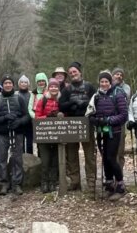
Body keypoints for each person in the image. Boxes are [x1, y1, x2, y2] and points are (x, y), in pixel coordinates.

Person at [0, 75, 30, 195]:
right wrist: (4, 118)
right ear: (3, 85)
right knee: (2, 158)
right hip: (2, 133)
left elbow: (26, 116)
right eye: (5, 83)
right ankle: (3, 183)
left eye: (10, 83)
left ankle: (17, 183)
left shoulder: (19, 98)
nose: (8, 85)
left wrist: (19, 122)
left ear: (13, 85)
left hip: (17, 133)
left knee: (17, 158)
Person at [58, 61, 97, 192]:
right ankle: (75, 181)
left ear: (80, 72)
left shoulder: (90, 86)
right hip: (71, 124)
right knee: (71, 155)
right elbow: (61, 105)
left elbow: (96, 102)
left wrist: (83, 104)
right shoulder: (66, 89)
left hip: (87, 123)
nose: (73, 74)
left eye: (74, 71)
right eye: (70, 73)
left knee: (90, 154)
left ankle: (91, 181)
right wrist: (72, 103)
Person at [90, 72, 128, 200]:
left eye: (106, 81)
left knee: (111, 158)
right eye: (102, 82)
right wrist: (94, 119)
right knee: (105, 158)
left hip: (114, 131)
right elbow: (92, 112)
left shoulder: (118, 93)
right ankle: (109, 185)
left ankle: (121, 186)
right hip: (102, 131)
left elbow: (124, 115)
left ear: (110, 82)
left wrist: (108, 120)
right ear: (99, 82)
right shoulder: (97, 95)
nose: (104, 84)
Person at [34, 78, 62, 193]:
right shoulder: (42, 100)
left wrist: (60, 116)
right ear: (48, 88)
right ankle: (44, 182)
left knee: (55, 161)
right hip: (44, 135)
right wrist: (47, 117)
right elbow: (37, 117)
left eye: (56, 86)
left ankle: (53, 181)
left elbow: (67, 116)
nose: (54, 88)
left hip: (58, 134)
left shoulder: (61, 99)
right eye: (52, 86)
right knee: (45, 161)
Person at [112, 67, 131, 170]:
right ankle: (110, 175)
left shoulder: (126, 87)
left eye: (121, 75)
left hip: (121, 121)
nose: (119, 76)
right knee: (109, 150)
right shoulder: (106, 84)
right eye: (116, 74)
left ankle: (119, 175)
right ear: (112, 75)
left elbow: (125, 96)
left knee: (120, 148)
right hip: (108, 120)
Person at [17, 75, 34, 154]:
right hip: (19, 122)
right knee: (20, 143)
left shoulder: (31, 94)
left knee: (29, 143)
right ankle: (22, 160)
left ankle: (30, 160)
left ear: (28, 84)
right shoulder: (15, 94)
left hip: (30, 122)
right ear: (19, 84)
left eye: (25, 82)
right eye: (22, 82)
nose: (23, 84)